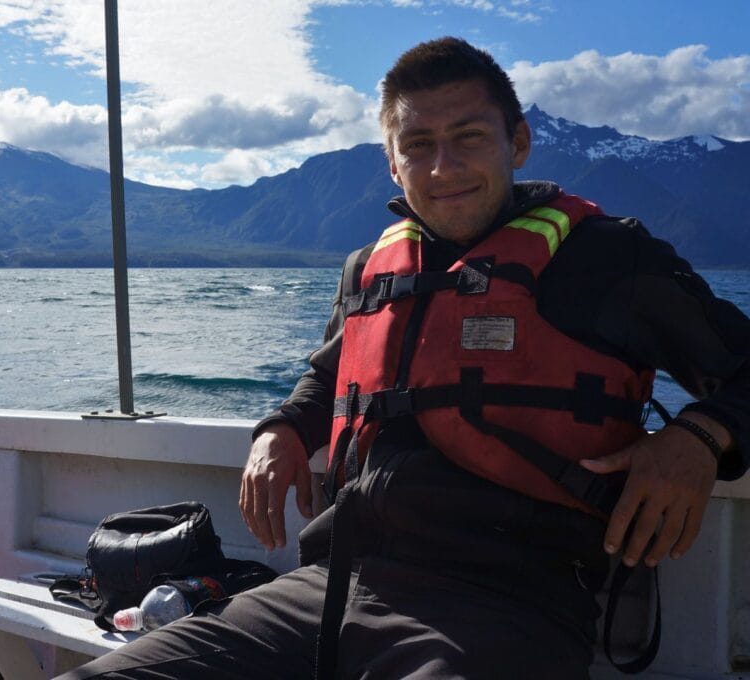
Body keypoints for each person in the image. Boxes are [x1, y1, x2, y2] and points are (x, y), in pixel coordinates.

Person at [65, 37, 749, 680]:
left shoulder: (608, 259)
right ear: (392, 162)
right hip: (326, 589)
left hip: (503, 610)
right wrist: (280, 431)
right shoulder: (370, 271)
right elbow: (333, 374)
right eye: (417, 145)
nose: (442, 167)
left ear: (519, 142)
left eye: (468, 139)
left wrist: (699, 436)